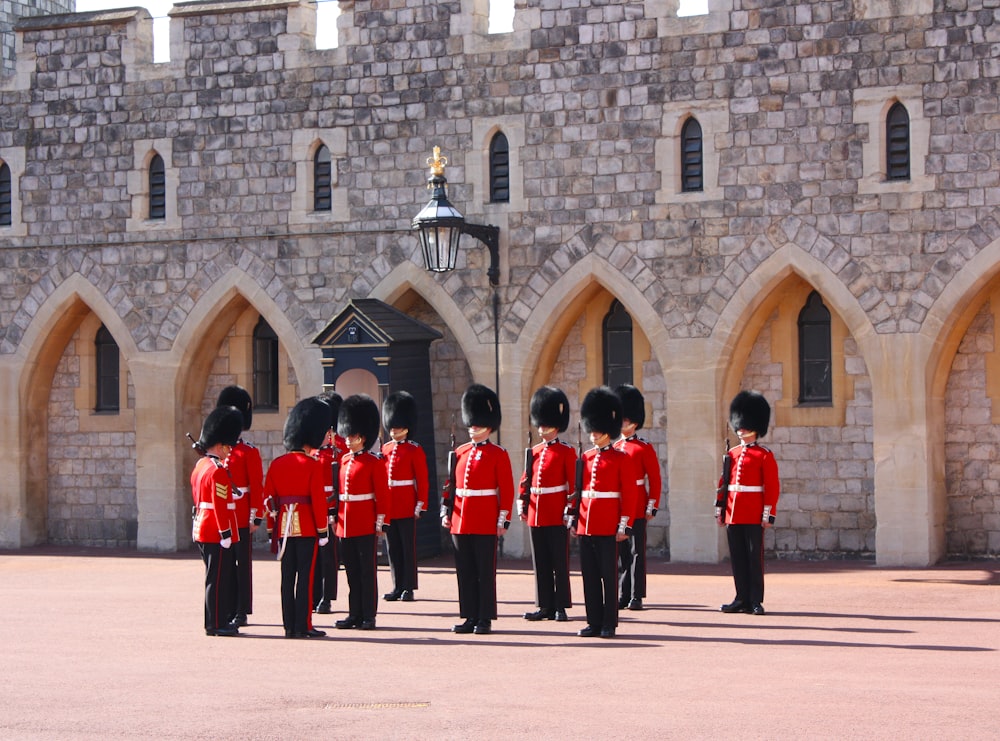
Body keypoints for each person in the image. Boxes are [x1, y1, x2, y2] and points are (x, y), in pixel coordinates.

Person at [442, 383, 514, 636]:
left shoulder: (498, 454)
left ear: (488, 425)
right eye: (470, 423)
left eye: (477, 423)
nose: (472, 427)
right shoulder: (460, 452)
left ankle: (484, 618)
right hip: (460, 520)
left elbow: (506, 490)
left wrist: (502, 519)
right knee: (465, 572)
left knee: (485, 572)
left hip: (484, 520)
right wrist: (446, 511)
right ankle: (469, 615)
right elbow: (450, 486)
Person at [574, 386, 639, 639]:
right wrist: (573, 519)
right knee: (589, 577)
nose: (594, 434)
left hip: (608, 524)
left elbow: (629, 495)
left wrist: (624, 525)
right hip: (585, 524)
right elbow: (579, 492)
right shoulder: (586, 457)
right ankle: (593, 621)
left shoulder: (621, 458)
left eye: (598, 429)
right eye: (592, 428)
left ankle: (609, 622)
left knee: (608, 576)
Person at [264, 397, 330, 638]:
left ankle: (288, 625)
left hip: (283, 528)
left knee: (286, 578)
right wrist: (323, 531)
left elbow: (268, 502)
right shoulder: (311, 465)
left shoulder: (276, 464)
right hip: (308, 528)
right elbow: (318, 502)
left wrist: (272, 529)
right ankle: (304, 624)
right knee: (306, 577)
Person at [717, 390, 781, 616]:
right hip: (733, 512)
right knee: (738, 558)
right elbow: (724, 483)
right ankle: (740, 597)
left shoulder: (764, 455)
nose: (741, 429)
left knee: (754, 559)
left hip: (753, 513)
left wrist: (768, 514)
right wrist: (720, 509)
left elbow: (771, 487)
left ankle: (755, 600)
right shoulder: (732, 454)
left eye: (745, 425)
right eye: (740, 425)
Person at [519, 386, 576, 623]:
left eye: (545, 423)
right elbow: (526, 481)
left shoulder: (566, 452)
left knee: (559, 563)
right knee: (540, 563)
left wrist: (570, 512)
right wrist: (523, 503)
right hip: (536, 513)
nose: (541, 428)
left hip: (556, 513)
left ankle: (560, 606)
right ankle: (544, 605)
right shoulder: (534, 451)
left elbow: (573, 487)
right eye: (539, 423)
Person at [335, 394, 389, 630]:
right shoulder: (344, 460)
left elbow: (382, 495)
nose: (348, 440)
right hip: (345, 524)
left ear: (363, 437)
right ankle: (354, 613)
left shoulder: (374, 462)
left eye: (353, 436)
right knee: (351, 573)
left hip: (365, 523)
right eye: (347, 435)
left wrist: (380, 523)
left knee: (367, 572)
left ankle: (369, 614)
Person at [190, 405, 244, 637]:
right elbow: (220, 506)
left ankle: (214, 621)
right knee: (219, 580)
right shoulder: (217, 470)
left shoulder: (201, 466)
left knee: (214, 578)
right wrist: (225, 534)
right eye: (228, 447)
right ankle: (217, 623)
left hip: (203, 527)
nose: (229, 451)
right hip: (215, 531)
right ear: (220, 445)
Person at [215, 385, 265, 628]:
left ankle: (241, 610)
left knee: (242, 565)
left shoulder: (248, 452)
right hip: (224, 515)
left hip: (243, 514)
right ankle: (225, 606)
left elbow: (256, 486)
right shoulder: (217, 453)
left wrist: (256, 516)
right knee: (224, 565)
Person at [613, 384, 662, 612]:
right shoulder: (614, 447)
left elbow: (655, 479)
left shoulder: (643, 448)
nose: (623, 422)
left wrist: (652, 506)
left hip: (638, 505)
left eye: (626, 419)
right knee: (621, 552)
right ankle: (623, 593)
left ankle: (636, 595)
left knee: (636, 552)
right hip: (619, 505)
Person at [380, 391, 429, 603]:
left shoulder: (414, 450)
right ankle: (397, 584)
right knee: (393, 548)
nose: (393, 429)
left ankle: (409, 587)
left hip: (406, 503)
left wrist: (421, 504)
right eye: (392, 425)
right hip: (390, 505)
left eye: (397, 425)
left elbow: (422, 480)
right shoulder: (386, 448)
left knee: (408, 548)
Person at [313, 391, 344, 615]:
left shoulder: (340, 447)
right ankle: (314, 595)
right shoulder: (313, 447)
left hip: (332, 507)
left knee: (329, 556)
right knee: (313, 554)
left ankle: (327, 597)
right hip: (313, 506)